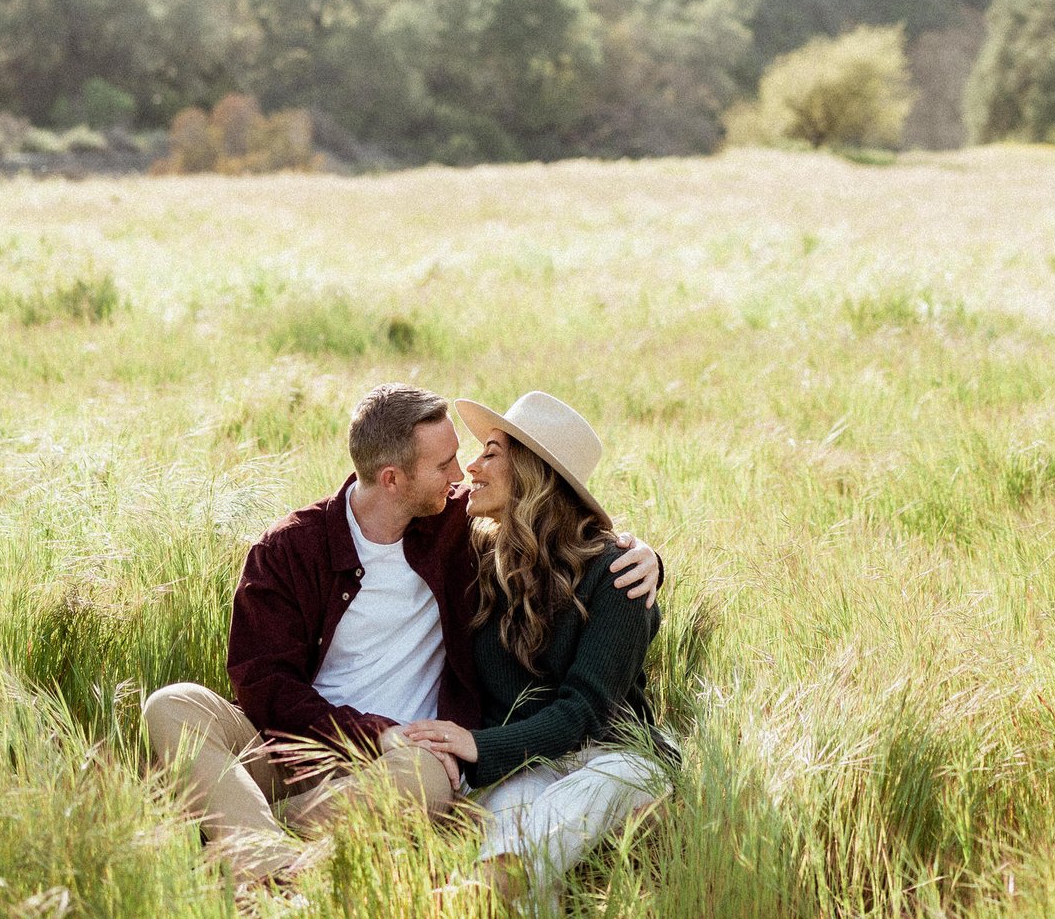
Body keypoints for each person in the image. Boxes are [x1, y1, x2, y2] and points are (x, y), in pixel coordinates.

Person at [141, 383, 663, 886]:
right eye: (444, 466)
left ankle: (247, 843)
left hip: (403, 764)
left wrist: (648, 559)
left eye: (471, 457)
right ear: (392, 478)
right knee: (172, 705)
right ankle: (280, 859)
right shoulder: (289, 550)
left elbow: (559, 529)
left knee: (429, 773)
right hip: (295, 752)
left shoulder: (460, 529)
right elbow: (264, 684)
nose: (462, 475)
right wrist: (366, 730)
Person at [398, 392, 673, 910]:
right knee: (514, 812)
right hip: (525, 761)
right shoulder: (476, 555)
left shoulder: (616, 576)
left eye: (492, 453)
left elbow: (587, 712)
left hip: (615, 754)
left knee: (604, 784)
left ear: (534, 470)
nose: (471, 467)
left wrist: (479, 747)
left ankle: (485, 889)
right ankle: (491, 890)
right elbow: (383, 508)